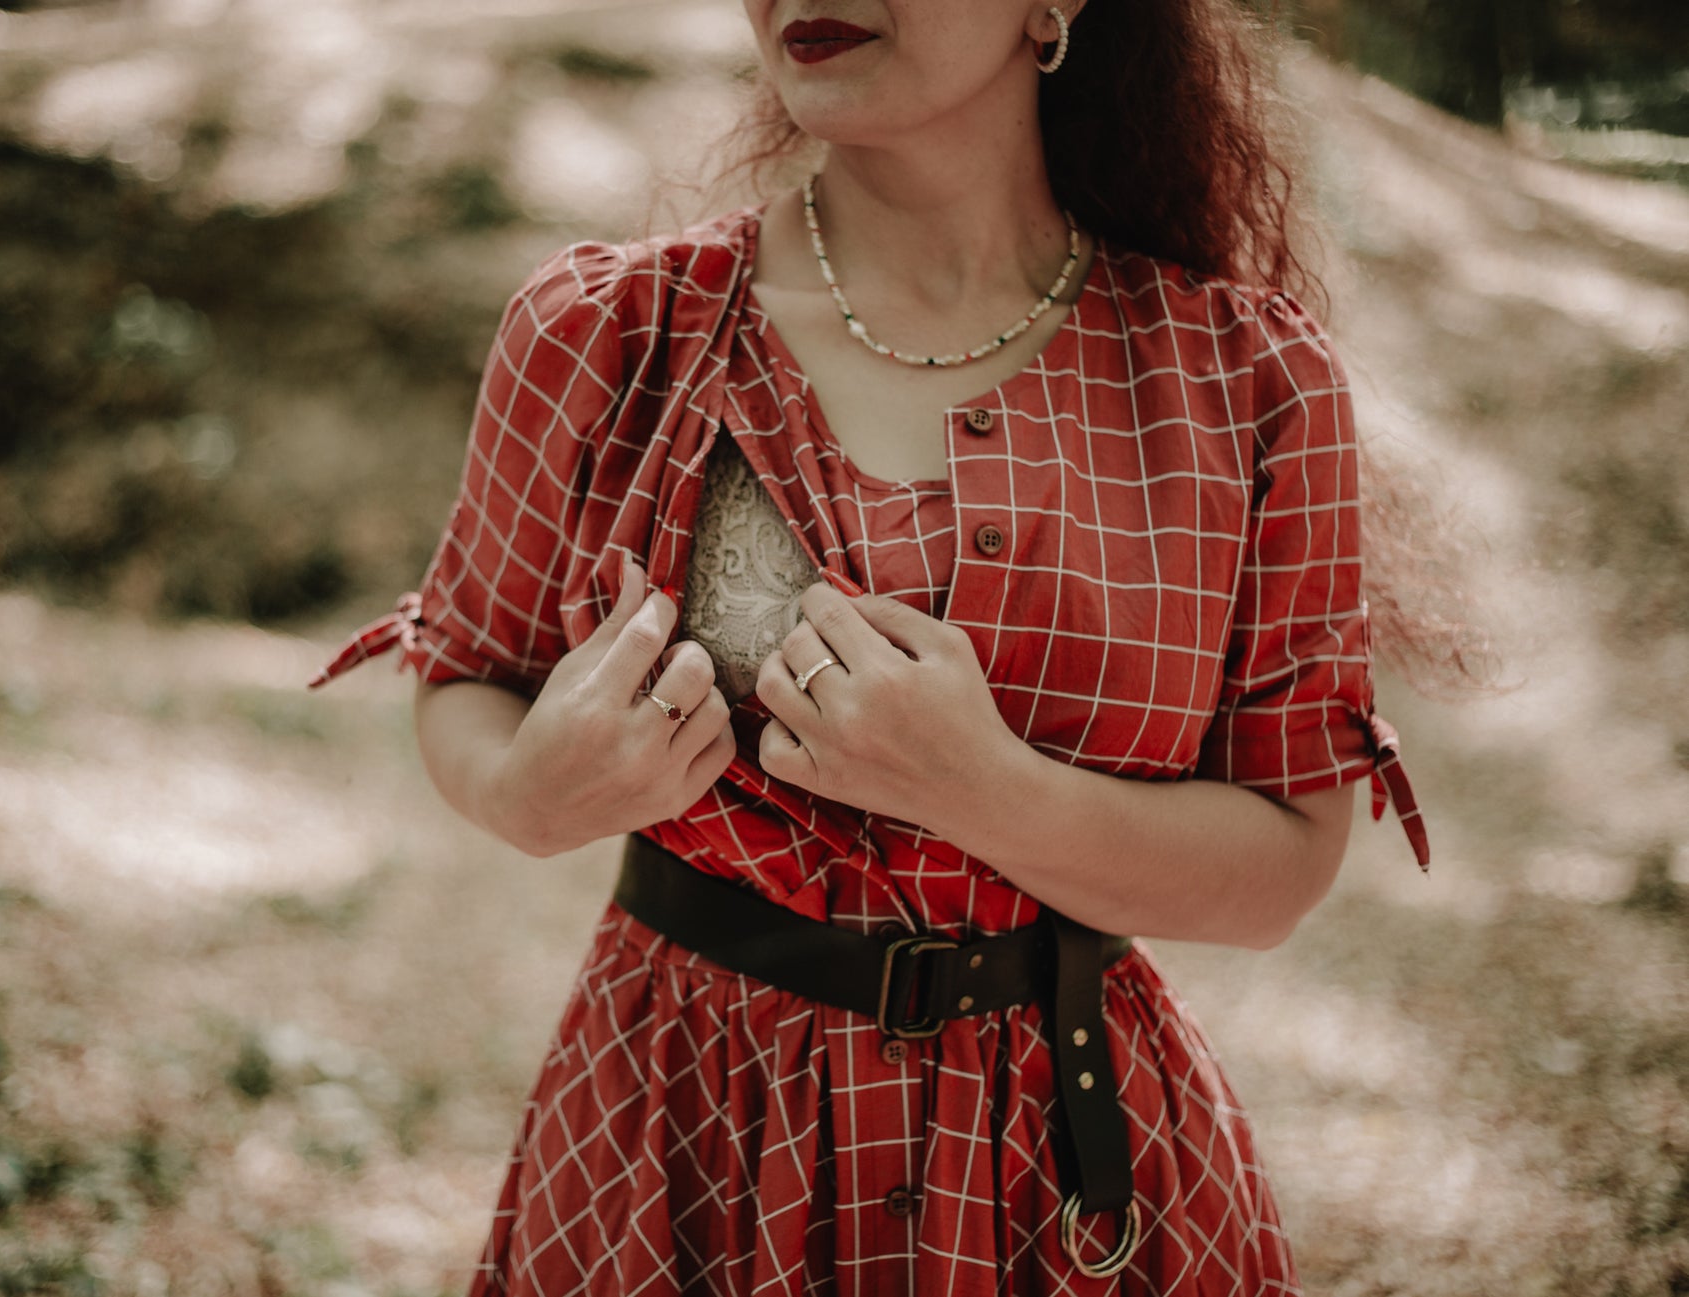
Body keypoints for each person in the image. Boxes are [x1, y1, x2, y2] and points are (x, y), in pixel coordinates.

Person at [313, 0, 1433, 1290]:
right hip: (674, 1139)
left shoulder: (1246, 381)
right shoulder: (607, 333)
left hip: (1068, 1172)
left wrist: (984, 790)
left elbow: (1283, 868)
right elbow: (469, 672)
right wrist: (522, 792)